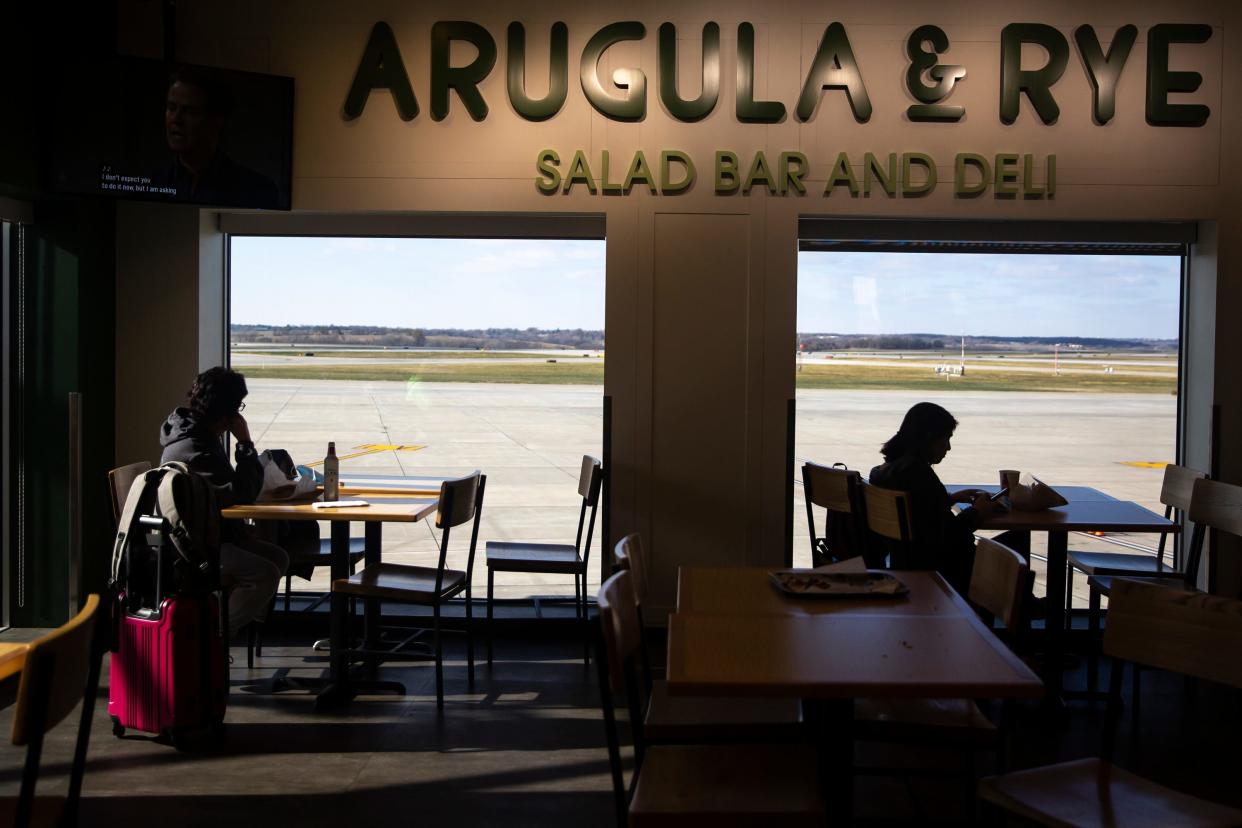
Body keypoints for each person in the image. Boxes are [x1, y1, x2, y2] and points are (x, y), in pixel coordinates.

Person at [160, 366, 288, 635]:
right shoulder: (195, 448)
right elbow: (241, 493)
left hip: (208, 533)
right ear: (226, 411)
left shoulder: (195, 434)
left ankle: (236, 619)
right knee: (264, 573)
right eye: (238, 405)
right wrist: (244, 443)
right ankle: (214, 636)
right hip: (195, 548)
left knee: (278, 557)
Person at [868, 401, 998, 595]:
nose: (948, 447)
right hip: (944, 572)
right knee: (1016, 543)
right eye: (945, 439)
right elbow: (946, 539)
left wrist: (949, 499)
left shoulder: (883, 472)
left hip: (905, 564)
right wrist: (977, 512)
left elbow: (918, 514)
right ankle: (1024, 611)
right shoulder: (918, 474)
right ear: (929, 438)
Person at [155, 66, 281, 208]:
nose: (176, 119)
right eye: (171, 108)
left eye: (189, 111)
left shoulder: (257, 189)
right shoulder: (153, 184)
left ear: (216, 121)